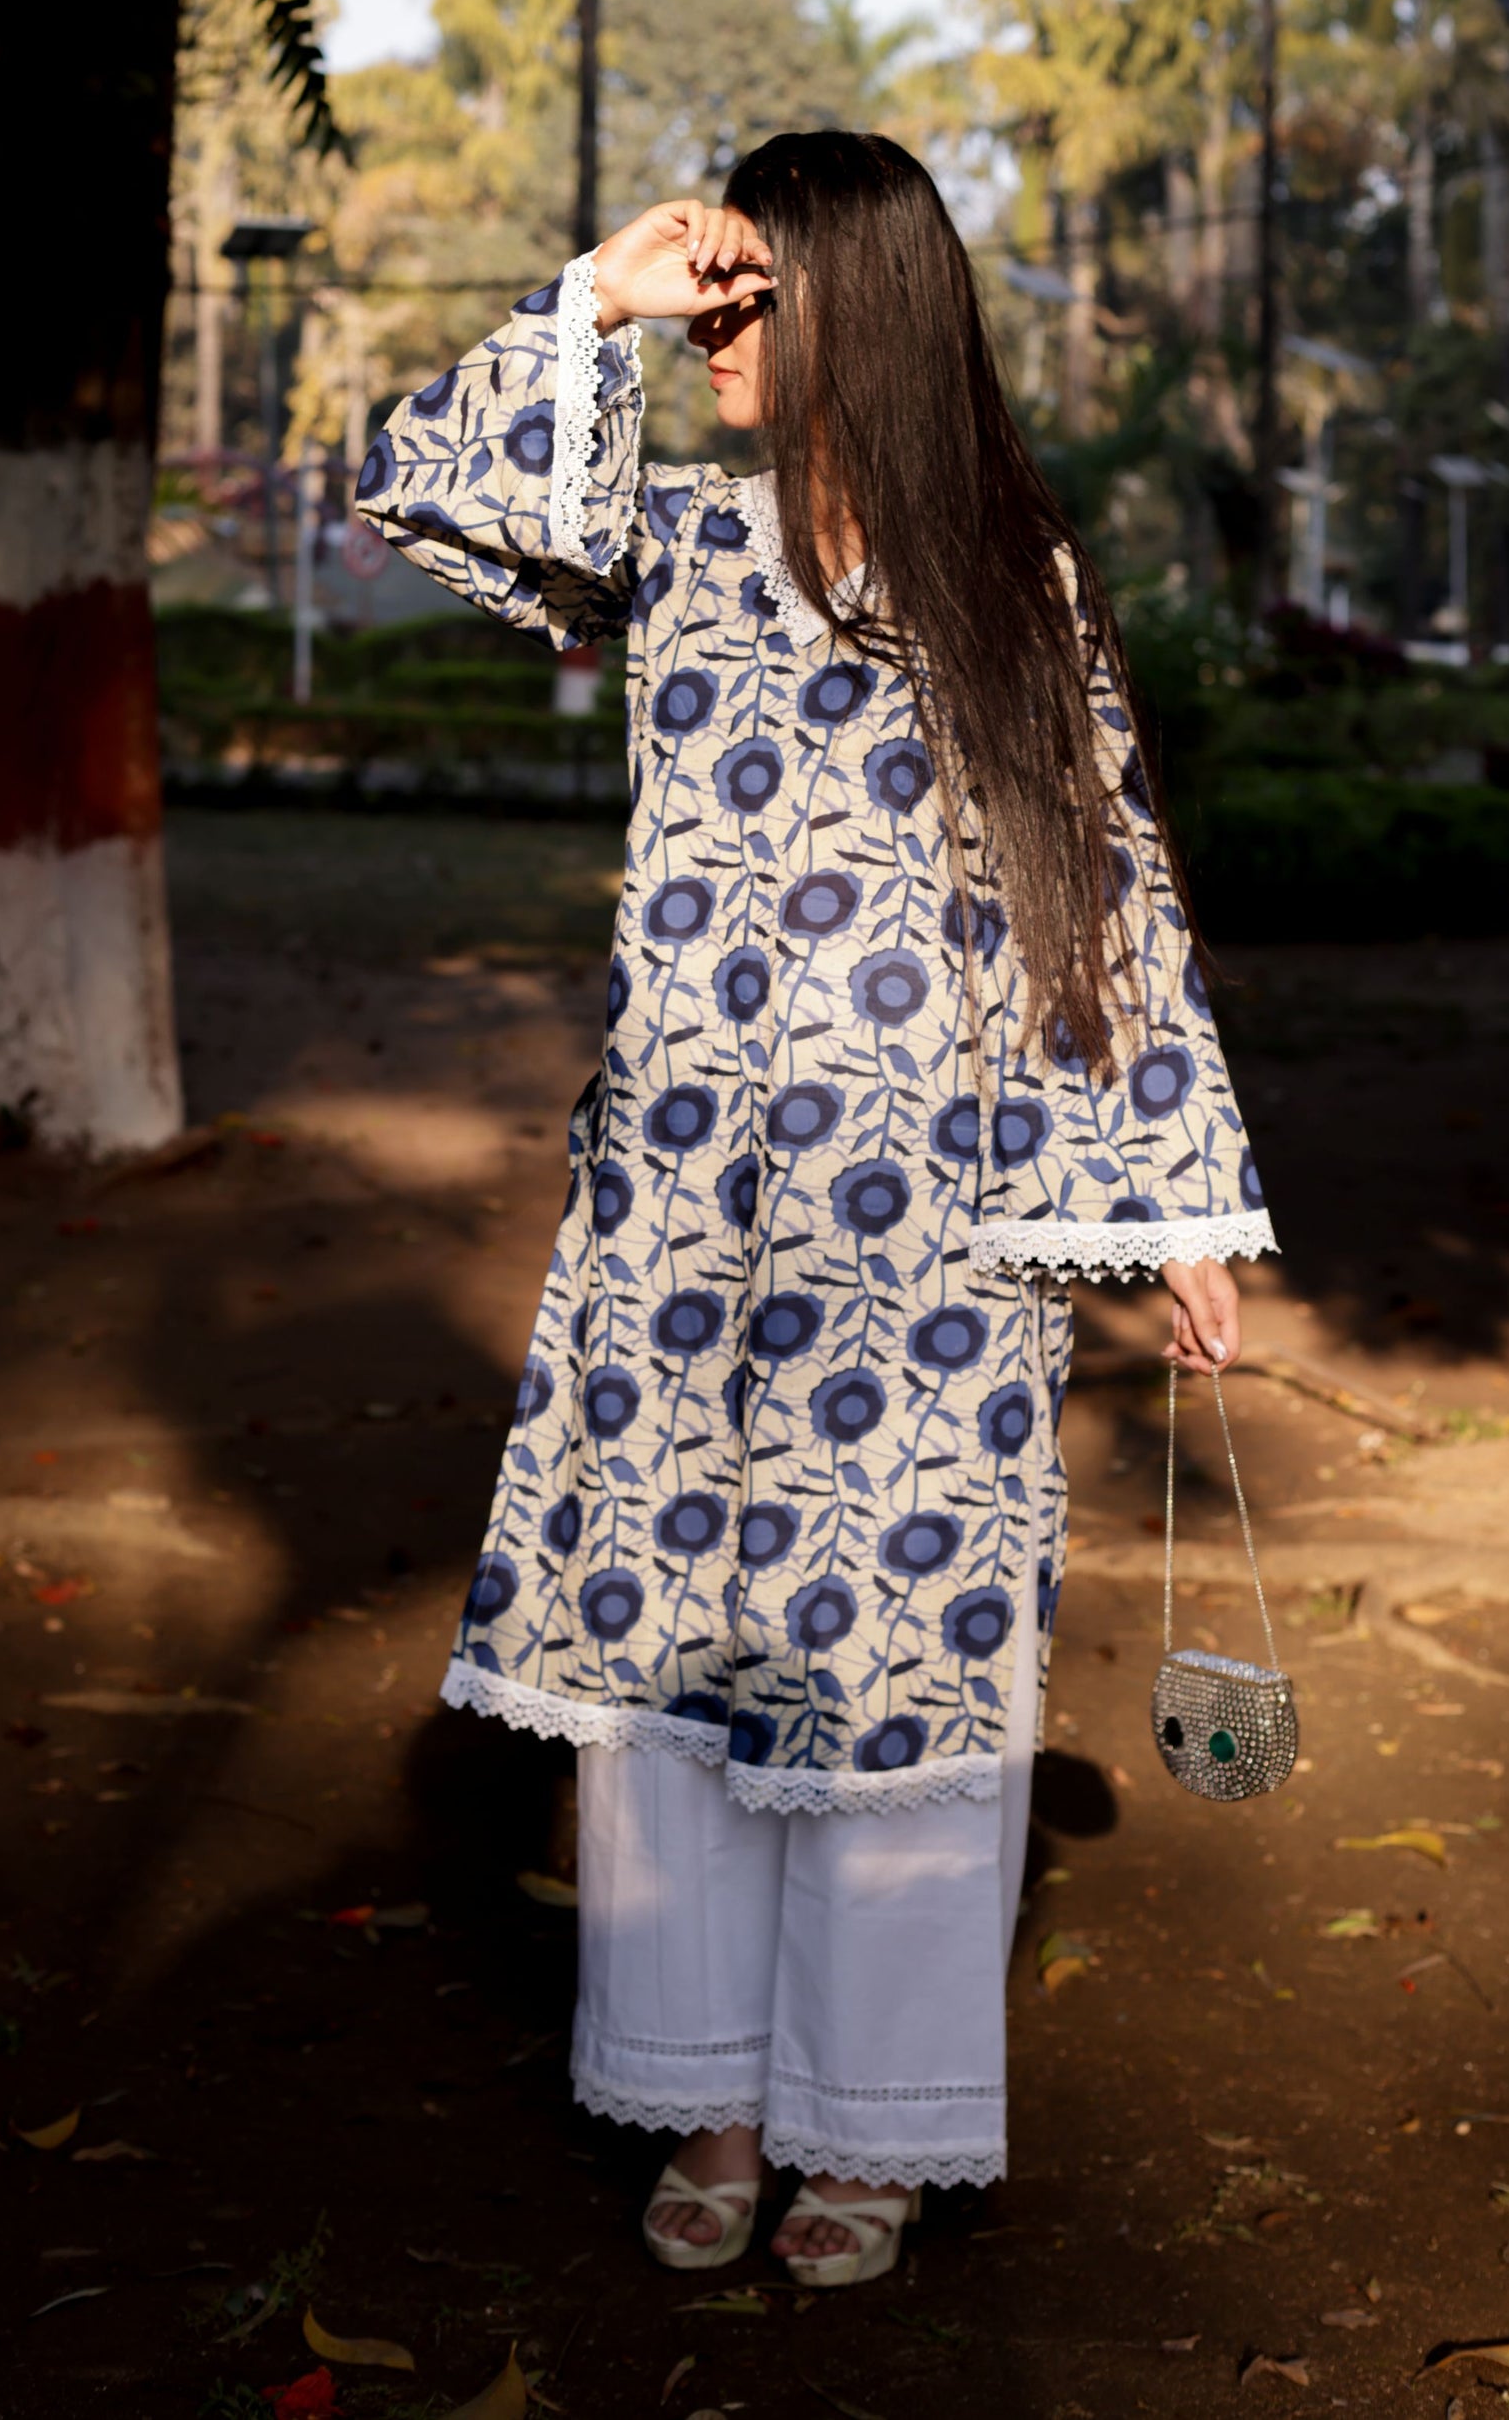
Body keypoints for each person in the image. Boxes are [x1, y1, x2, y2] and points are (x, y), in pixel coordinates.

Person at [355, 131, 1275, 2288]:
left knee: (898, 1672)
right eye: (714, 292)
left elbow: (1100, 897)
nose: (722, 328)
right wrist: (593, 300)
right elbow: (423, 494)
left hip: (924, 1245)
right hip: (679, 1228)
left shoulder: (1018, 584)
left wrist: (1178, 1208)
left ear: (858, 305)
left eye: (754, 294)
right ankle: (705, 2088)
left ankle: (867, 2122)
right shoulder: (677, 542)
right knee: (667, 1654)